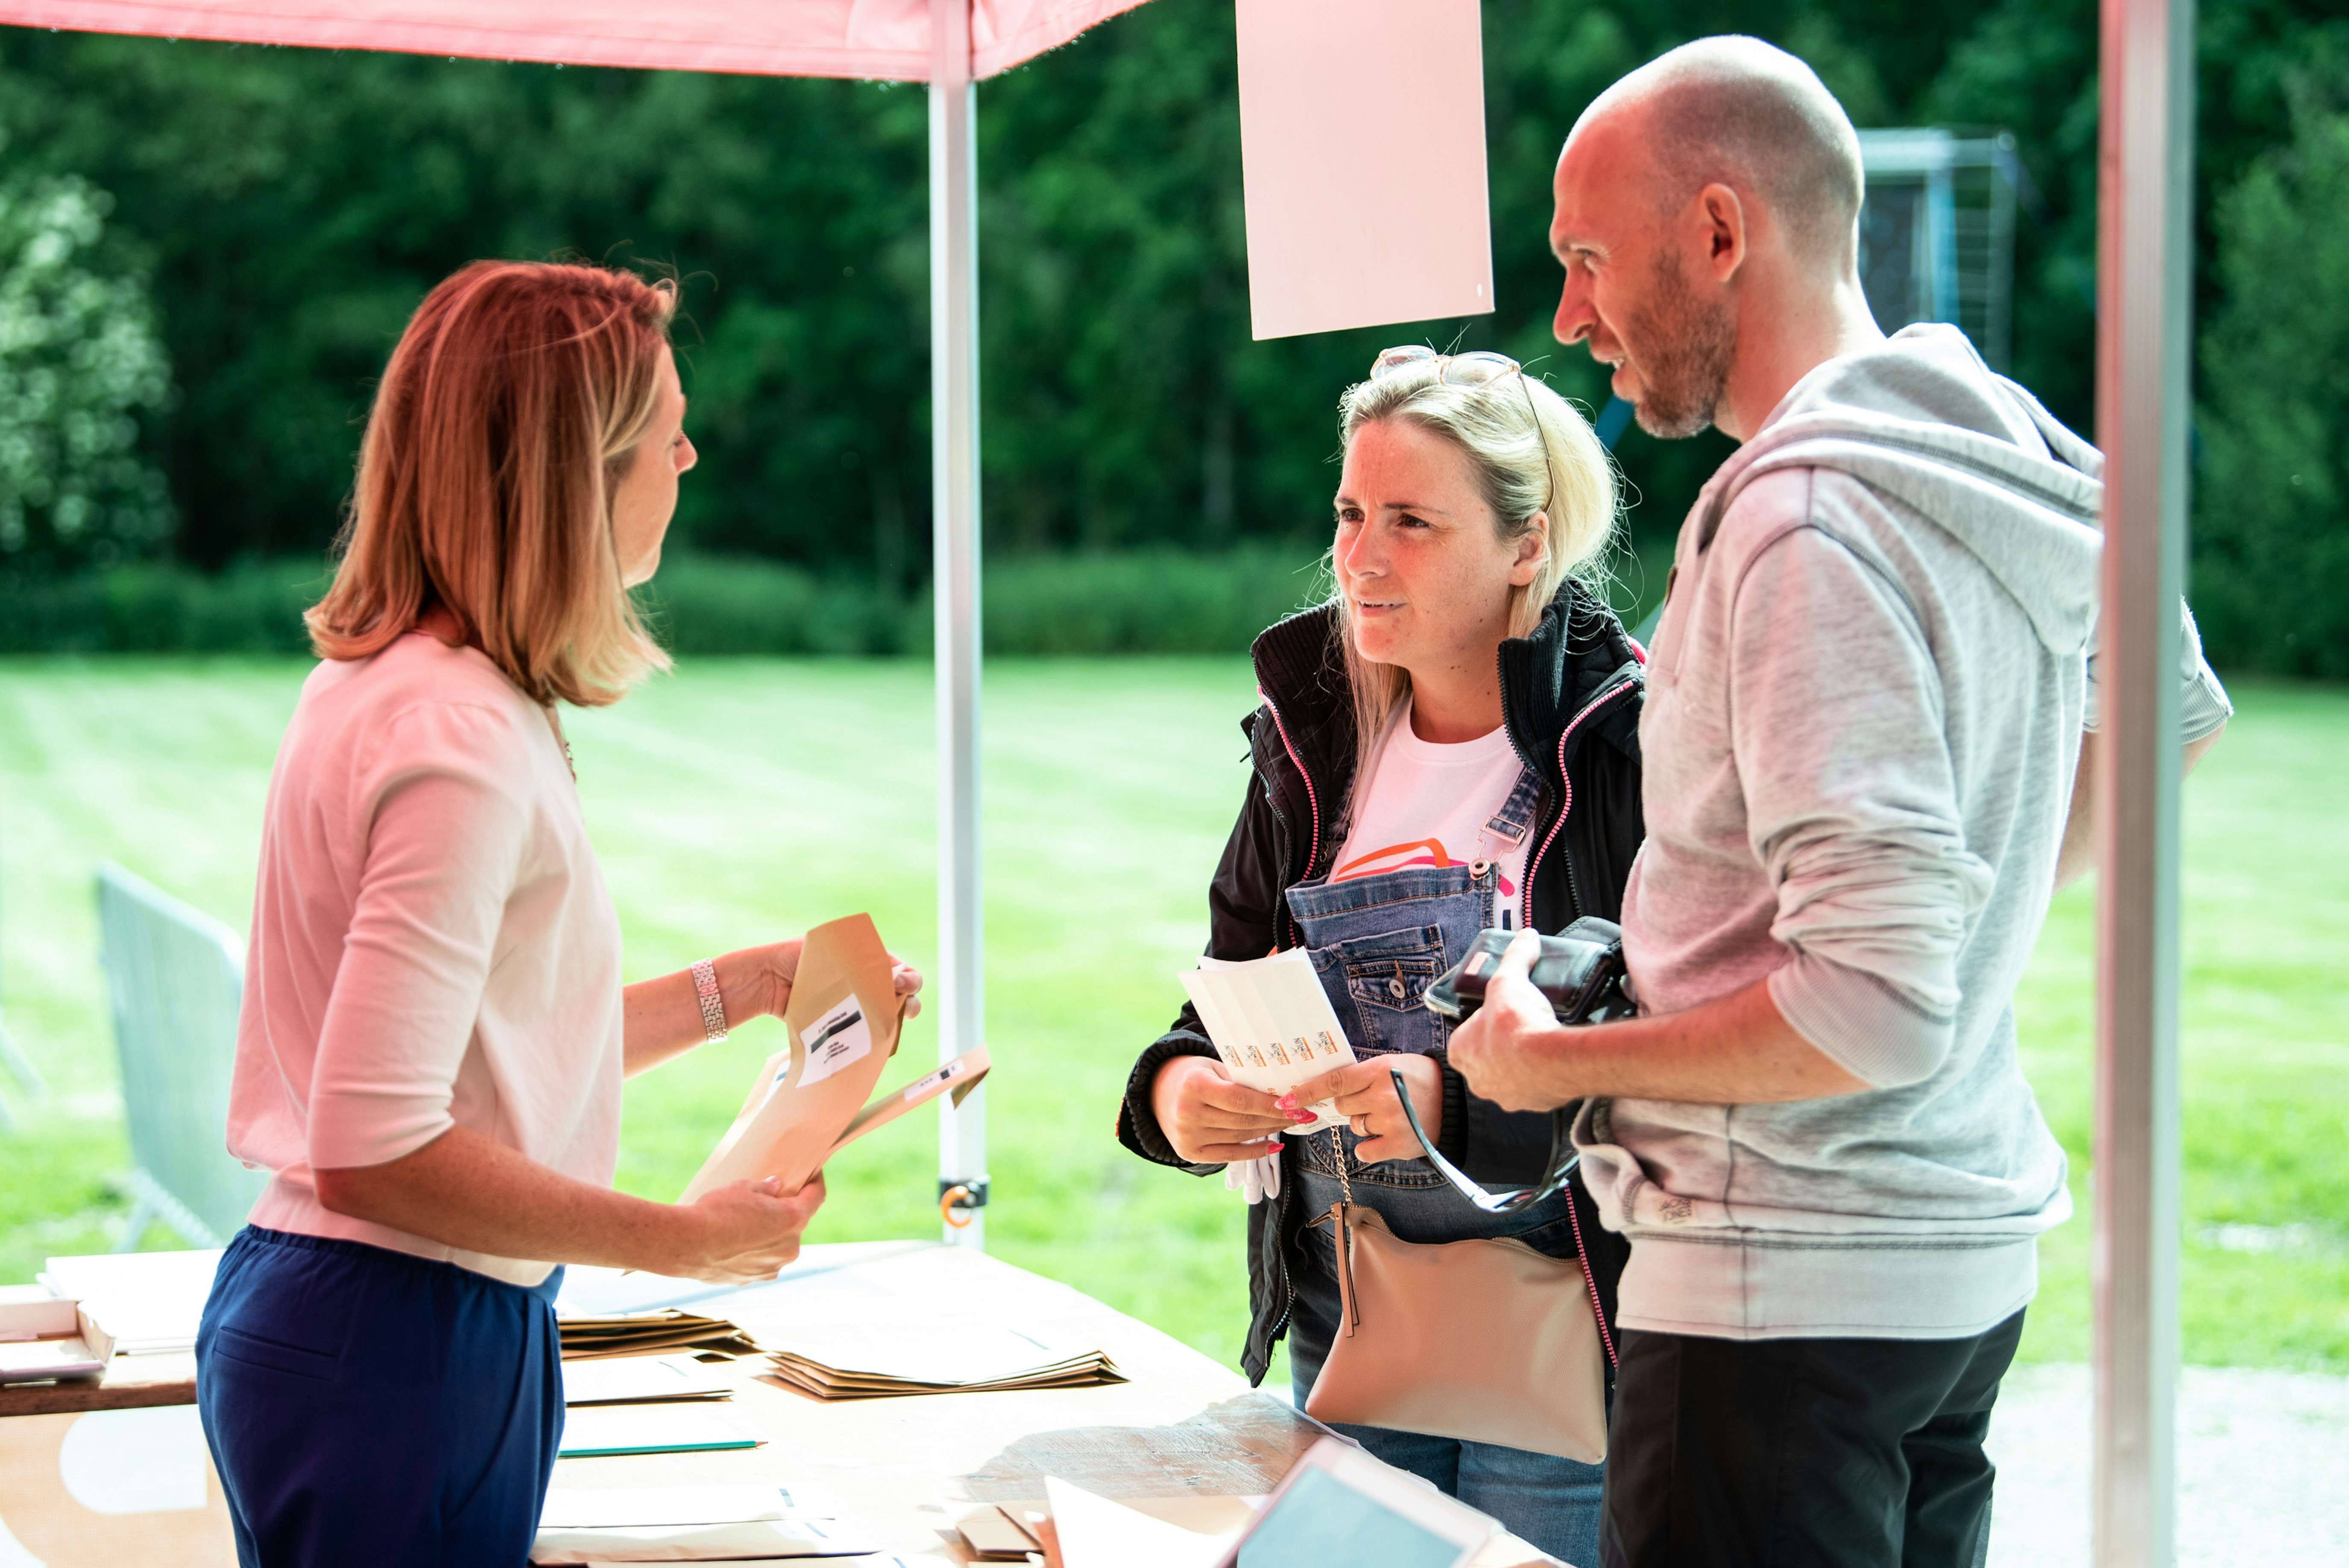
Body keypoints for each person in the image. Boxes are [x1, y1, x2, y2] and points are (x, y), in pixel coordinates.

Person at [1445, 37, 2233, 1568]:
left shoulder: (1804, 522)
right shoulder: (2007, 444)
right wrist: (1962, 910)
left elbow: (1868, 1009)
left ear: (1721, 235)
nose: (1568, 316)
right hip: (1947, 1268)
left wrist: (1562, 1065)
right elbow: (2172, 716)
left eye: (1589, 260)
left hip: (1780, 1290)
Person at [194, 260, 920, 1568]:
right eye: (664, 432)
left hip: (374, 1314)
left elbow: (491, 1047)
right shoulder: (457, 740)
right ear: (571, 474)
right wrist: (685, 1242)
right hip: (398, 1329)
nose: (691, 454)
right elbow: (378, 1143)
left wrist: (745, 990)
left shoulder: (397, 686)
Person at [1114, 344, 1645, 1567]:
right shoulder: (1313, 742)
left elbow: (1666, 1049)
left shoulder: (1625, 744)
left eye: (1410, 521)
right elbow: (1220, 998)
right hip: (1353, 1318)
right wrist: (1180, 1095)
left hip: (1571, 1327)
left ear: (1528, 543)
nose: (1358, 555)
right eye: (1351, 513)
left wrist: (1452, 1102)